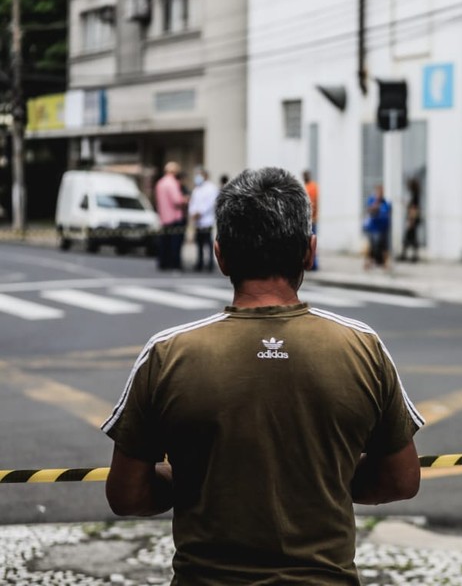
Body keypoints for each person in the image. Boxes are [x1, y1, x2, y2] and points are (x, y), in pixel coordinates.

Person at [102, 167, 424, 585]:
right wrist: (332, 477)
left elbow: (127, 495)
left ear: (220, 256)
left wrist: (192, 477)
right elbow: (401, 479)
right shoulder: (362, 347)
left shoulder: (166, 354)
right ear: (309, 251)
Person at [154, 161, 188, 272]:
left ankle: (163, 263)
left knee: (164, 242)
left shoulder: (160, 183)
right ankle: (175, 264)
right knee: (175, 243)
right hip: (174, 217)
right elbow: (177, 200)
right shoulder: (172, 183)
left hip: (164, 217)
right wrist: (185, 200)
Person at [187, 168, 219, 272]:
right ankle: (199, 263)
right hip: (197, 221)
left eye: (199, 175)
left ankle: (209, 264)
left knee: (208, 243)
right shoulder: (197, 189)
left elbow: (210, 203)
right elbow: (192, 203)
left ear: (205, 175)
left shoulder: (211, 188)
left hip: (206, 220)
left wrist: (200, 212)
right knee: (199, 243)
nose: (197, 177)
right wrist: (193, 213)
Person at [364, 184, 392, 270]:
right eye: (378, 191)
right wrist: (376, 204)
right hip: (373, 228)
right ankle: (369, 264)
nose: (380, 193)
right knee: (372, 247)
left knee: (384, 247)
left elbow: (387, 211)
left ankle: (384, 265)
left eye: (381, 191)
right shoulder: (371, 200)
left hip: (383, 228)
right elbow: (370, 209)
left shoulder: (386, 202)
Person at [398, 177, 422, 263]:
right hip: (414, 219)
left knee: (409, 238)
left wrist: (411, 220)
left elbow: (414, 208)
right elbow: (411, 206)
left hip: (413, 219)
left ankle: (409, 255)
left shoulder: (415, 195)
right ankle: (411, 255)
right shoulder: (415, 194)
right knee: (411, 238)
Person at [303, 169, 320, 271]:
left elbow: (312, 202)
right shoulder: (307, 187)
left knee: (312, 243)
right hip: (308, 220)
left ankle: (313, 264)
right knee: (309, 244)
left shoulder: (312, 187)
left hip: (311, 220)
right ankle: (311, 264)